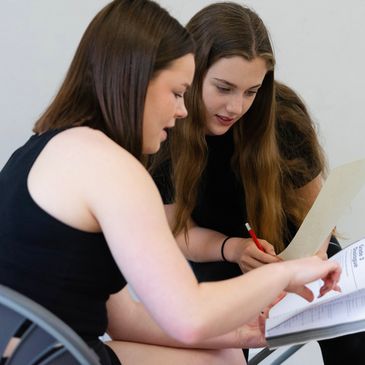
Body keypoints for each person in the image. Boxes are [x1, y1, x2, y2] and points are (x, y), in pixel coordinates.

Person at [0, 1, 341, 365]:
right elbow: (190, 318)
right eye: (178, 92)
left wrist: (238, 334)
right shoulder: (114, 169)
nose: (182, 110)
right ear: (136, 84)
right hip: (60, 357)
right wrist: (285, 273)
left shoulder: (47, 147)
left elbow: (125, 321)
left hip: (36, 353)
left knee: (226, 353)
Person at [150, 2, 362, 364]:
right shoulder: (164, 125)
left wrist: (301, 263)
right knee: (224, 353)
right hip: (215, 255)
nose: (236, 106)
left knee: (356, 337)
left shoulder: (280, 114)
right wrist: (233, 249)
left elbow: (316, 215)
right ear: (191, 71)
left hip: (296, 246)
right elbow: (175, 233)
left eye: (251, 91)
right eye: (224, 87)